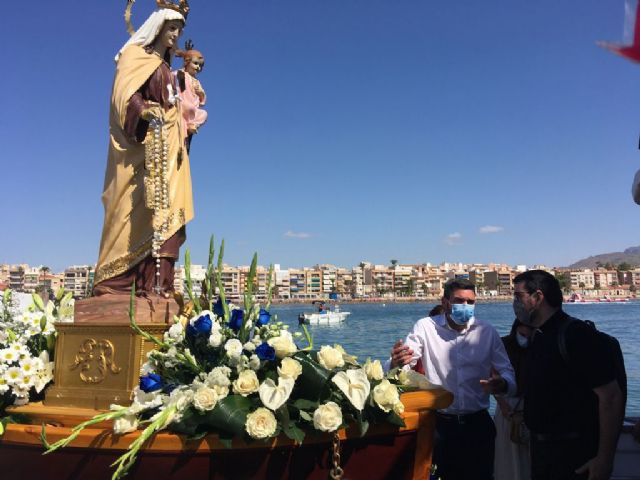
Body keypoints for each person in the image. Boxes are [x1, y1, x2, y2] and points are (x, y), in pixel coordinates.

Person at [93, 6, 194, 297]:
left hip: (171, 152)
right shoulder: (135, 57)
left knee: (174, 214)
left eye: (179, 30)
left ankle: (160, 284)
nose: (175, 35)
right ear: (158, 27)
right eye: (171, 28)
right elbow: (124, 97)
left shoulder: (165, 67)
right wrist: (145, 110)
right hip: (144, 152)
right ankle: (119, 280)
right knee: (135, 214)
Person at [389, 279, 516, 480]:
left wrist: (502, 384)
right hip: (439, 425)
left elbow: (508, 373)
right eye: (459, 300)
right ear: (446, 302)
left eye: (470, 302)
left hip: (478, 425)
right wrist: (396, 363)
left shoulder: (487, 332)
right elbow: (406, 364)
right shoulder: (425, 327)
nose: (465, 306)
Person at [513, 270, 624, 480]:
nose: (515, 303)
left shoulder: (577, 335)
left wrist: (604, 459)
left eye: (518, 296)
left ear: (537, 297)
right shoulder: (540, 335)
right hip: (543, 454)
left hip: (574, 457)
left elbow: (610, 397)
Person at [494, 319, 533, 480]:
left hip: (530, 407)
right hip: (508, 406)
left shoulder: (538, 348)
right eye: (523, 334)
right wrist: (503, 404)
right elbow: (493, 374)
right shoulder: (504, 345)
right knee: (508, 458)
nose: (525, 339)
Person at [174, 40, 207, 152]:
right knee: (191, 108)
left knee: (204, 114)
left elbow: (203, 100)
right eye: (195, 64)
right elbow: (173, 83)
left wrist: (200, 93)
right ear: (187, 62)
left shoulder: (197, 82)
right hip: (183, 103)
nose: (198, 67)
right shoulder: (180, 74)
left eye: (200, 66)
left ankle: (192, 126)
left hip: (192, 109)